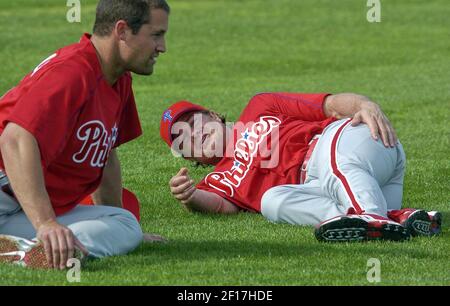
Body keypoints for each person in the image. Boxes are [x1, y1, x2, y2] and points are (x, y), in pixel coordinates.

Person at [0, 0, 170, 270]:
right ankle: (35, 249)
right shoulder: (73, 71)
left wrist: (115, 223)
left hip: (18, 203)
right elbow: (14, 139)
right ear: (122, 31)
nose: (162, 47)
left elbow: (105, 155)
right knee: (122, 228)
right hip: (6, 188)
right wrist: (45, 224)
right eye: (156, 35)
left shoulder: (117, 79)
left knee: (124, 224)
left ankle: (22, 251)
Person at [160, 93, 441, 242]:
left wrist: (364, 104)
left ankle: (369, 215)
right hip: (334, 186)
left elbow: (329, 105)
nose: (193, 136)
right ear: (189, 159)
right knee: (273, 202)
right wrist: (190, 196)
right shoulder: (216, 182)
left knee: (334, 159)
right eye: (183, 141)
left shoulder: (260, 106)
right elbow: (220, 207)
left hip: (354, 143)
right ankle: (394, 219)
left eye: (193, 123)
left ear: (212, 115)